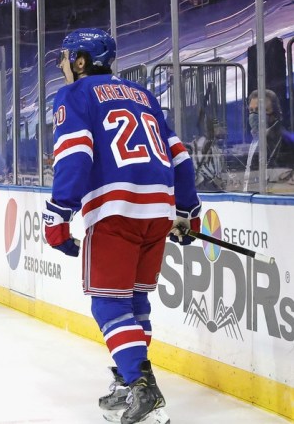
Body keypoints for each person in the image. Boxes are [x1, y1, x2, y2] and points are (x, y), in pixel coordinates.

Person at [43, 28, 200, 424]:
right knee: (135, 300)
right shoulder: (144, 95)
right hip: (158, 212)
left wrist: (59, 212)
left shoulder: (75, 95)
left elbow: (76, 156)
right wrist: (188, 210)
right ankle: (125, 382)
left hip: (116, 211)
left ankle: (141, 385)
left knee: (108, 302)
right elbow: (180, 157)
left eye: (65, 58)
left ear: (80, 61)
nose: (62, 66)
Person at [243, 89, 294, 191]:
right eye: (251, 111)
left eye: (259, 110)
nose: (253, 115)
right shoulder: (255, 138)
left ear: (274, 114)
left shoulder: (285, 141)